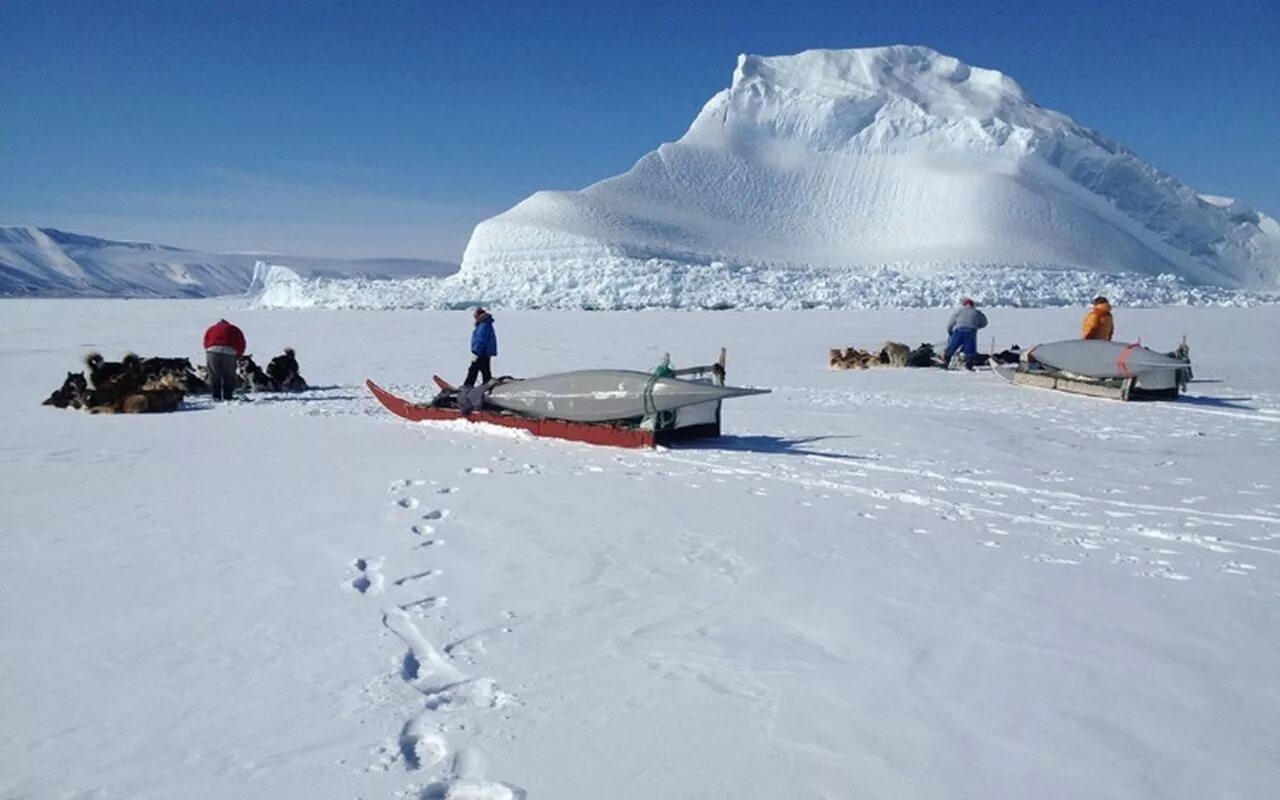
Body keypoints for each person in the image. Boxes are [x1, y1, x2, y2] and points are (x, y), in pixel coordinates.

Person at [203, 318, 246, 401]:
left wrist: (209, 351)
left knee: (214, 375)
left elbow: (206, 341)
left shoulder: (211, 328)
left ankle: (216, 396)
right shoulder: (234, 329)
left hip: (212, 351)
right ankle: (228, 396)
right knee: (229, 375)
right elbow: (241, 342)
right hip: (229, 352)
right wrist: (238, 355)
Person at [943, 298, 988, 371]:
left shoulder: (959, 311)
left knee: (952, 347)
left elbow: (951, 323)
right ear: (973, 305)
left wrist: (950, 331)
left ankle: (945, 362)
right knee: (970, 350)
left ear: (964, 305)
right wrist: (976, 326)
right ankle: (968, 365)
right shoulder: (977, 312)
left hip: (959, 331)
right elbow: (985, 323)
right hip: (971, 332)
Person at [463, 308, 498, 387]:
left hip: (481, 352)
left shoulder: (483, 325)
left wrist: (476, 351)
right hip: (485, 352)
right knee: (485, 370)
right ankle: (487, 384)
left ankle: (467, 385)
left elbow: (480, 340)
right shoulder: (486, 324)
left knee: (473, 369)